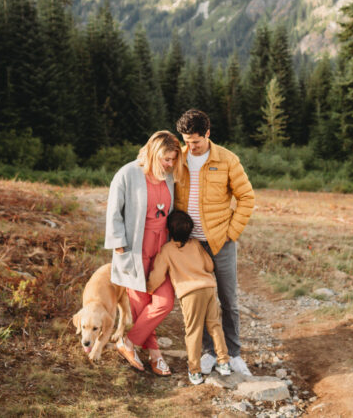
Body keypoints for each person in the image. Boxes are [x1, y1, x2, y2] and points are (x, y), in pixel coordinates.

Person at [173, 109, 255, 376]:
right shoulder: (180, 160)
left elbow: (246, 197)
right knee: (201, 300)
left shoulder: (228, 159)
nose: (190, 146)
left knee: (227, 299)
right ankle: (209, 352)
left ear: (208, 134)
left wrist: (232, 232)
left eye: (195, 141)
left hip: (221, 242)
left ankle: (233, 354)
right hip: (191, 246)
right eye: (186, 140)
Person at [104, 130, 180, 376]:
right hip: (135, 248)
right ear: (153, 153)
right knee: (142, 306)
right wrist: (119, 244)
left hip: (161, 250)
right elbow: (114, 211)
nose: (170, 165)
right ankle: (155, 355)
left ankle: (128, 342)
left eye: (172, 160)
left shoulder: (168, 178)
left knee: (164, 302)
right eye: (166, 159)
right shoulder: (128, 174)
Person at [147, 210, 232, 385]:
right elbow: (209, 266)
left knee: (193, 332)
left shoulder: (167, 250)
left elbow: (158, 276)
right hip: (208, 288)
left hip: (189, 294)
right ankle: (224, 362)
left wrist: (149, 290)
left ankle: (195, 371)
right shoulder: (195, 244)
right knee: (215, 326)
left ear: (169, 230)